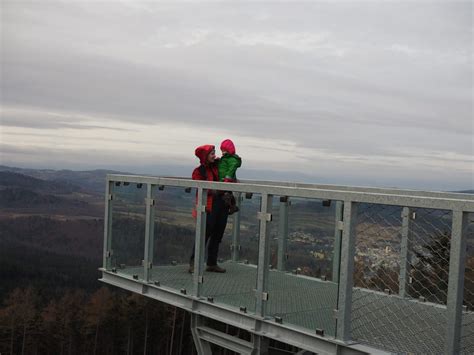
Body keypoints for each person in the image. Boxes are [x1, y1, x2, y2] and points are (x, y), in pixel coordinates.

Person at [189, 144, 228, 273]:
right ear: (205, 156)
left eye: (214, 153)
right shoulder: (199, 171)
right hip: (208, 205)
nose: (214, 155)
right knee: (204, 234)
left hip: (221, 204)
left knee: (217, 234)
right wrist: (215, 190)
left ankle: (212, 263)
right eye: (212, 153)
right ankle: (194, 264)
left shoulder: (218, 167)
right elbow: (200, 186)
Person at [218, 139, 242, 215]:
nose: (223, 152)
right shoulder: (225, 158)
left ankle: (232, 206)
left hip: (227, 179)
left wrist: (228, 177)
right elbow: (223, 167)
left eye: (224, 150)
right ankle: (232, 206)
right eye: (222, 150)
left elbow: (231, 168)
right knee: (228, 193)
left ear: (229, 150)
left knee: (227, 194)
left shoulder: (231, 159)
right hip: (223, 179)